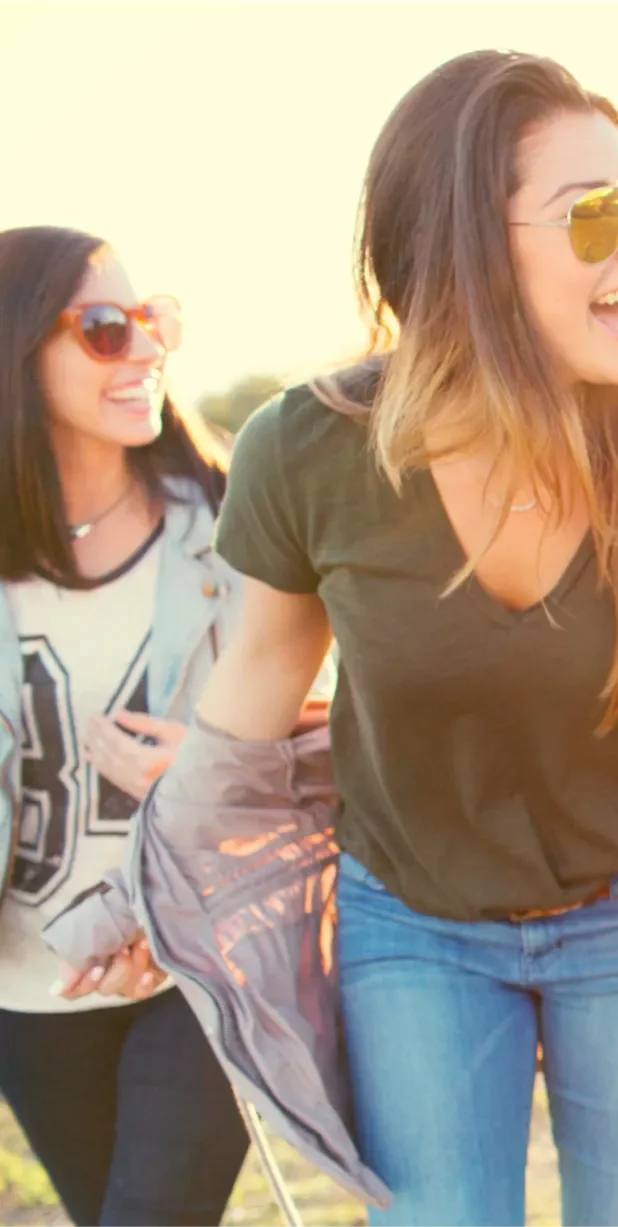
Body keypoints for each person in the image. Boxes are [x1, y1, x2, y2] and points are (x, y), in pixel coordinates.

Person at [165, 51, 618, 1226]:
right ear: (465, 248)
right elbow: (248, 698)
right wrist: (140, 884)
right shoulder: (309, 452)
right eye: (599, 214)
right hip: (416, 922)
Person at [0, 226, 248, 1225]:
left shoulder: (231, 530)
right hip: (30, 992)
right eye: (107, 329)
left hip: (198, 961)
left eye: (154, 322)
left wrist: (218, 774)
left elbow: (325, 742)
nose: (148, 349)